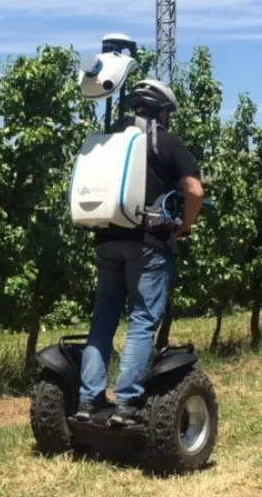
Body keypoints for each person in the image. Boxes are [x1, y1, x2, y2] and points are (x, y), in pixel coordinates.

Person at [74, 78, 205, 426]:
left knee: (103, 318)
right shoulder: (166, 141)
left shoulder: (108, 140)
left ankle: (88, 401)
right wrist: (186, 225)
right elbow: (194, 189)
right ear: (162, 111)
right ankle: (126, 405)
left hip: (106, 238)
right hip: (149, 243)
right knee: (142, 320)